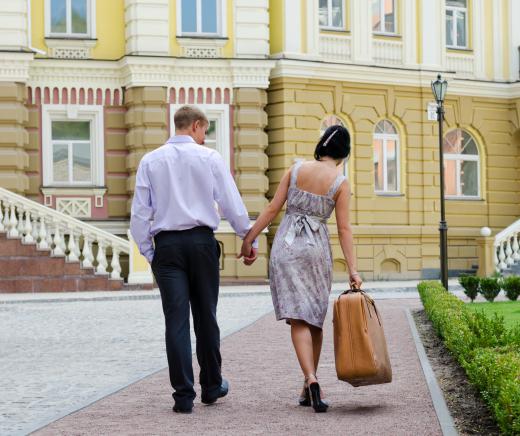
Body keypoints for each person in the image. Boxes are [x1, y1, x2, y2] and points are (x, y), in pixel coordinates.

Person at [130, 105, 257, 414]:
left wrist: (152, 253)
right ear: (197, 126)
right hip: (201, 243)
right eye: (205, 131)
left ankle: (183, 396)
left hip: (167, 247)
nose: (204, 137)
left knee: (175, 322)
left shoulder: (150, 160)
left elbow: (138, 217)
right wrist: (247, 236)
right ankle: (212, 386)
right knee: (206, 317)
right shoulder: (209, 157)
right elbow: (230, 202)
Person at [239, 125, 362, 413]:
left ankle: (310, 380)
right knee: (314, 318)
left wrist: (249, 239)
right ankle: (310, 382)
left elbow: (271, 209)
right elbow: (344, 229)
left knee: (298, 319)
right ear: (344, 153)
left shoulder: (296, 170)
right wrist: (353, 270)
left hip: (287, 247)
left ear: (322, 146)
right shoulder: (341, 183)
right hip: (316, 252)